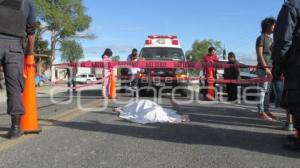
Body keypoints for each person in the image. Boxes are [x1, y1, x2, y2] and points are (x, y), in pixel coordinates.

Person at [0, 0, 36, 139]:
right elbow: (31, 31)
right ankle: (15, 128)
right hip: (14, 47)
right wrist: (29, 52)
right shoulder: (27, 2)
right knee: (14, 87)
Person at [272, 0, 300, 150]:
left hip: (296, 62)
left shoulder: (291, 6)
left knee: (296, 98)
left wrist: (278, 64)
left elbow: (283, 39)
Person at [256, 17, 277, 121]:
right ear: (269, 25)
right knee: (262, 90)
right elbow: (260, 55)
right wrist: (265, 68)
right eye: (274, 25)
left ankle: (267, 110)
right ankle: (261, 111)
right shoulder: (261, 38)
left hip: (270, 68)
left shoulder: (271, 39)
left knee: (268, 91)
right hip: (263, 68)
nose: (275, 27)